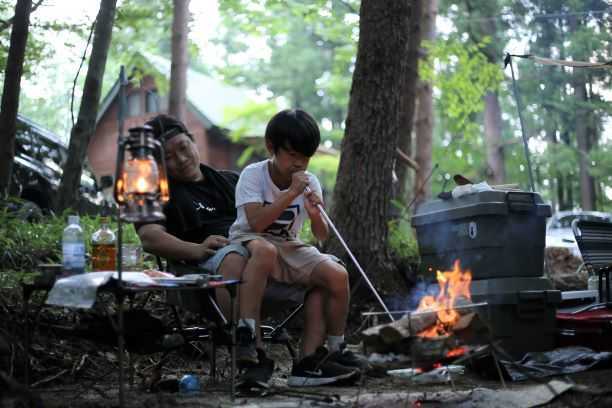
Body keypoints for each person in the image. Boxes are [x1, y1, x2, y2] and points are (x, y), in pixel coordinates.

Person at [229, 109, 368, 387]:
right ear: (272, 147)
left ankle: (334, 349)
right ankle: (247, 334)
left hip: (288, 245)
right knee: (265, 249)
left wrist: (316, 214)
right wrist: (290, 193)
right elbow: (255, 223)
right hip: (249, 239)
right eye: (292, 155)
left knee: (336, 274)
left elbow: (320, 235)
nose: (299, 163)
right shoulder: (253, 175)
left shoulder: (310, 181)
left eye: (305, 157)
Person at [135, 114, 276, 374]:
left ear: (193, 141)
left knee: (322, 265)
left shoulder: (231, 181)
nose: (180, 159)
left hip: (260, 257)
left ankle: (320, 358)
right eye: (168, 156)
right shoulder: (156, 193)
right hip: (201, 270)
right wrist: (196, 249)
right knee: (234, 258)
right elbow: (149, 237)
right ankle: (251, 353)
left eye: (183, 148)